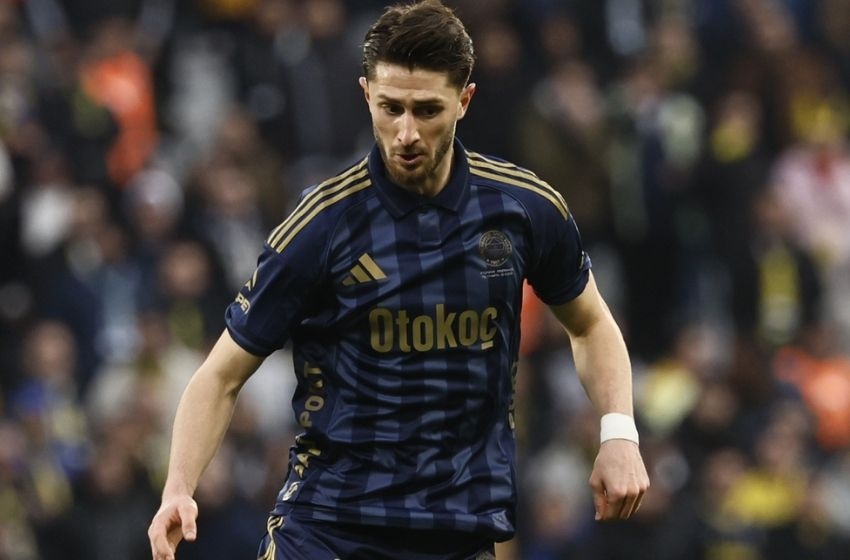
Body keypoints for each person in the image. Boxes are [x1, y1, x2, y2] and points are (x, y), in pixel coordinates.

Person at [147, 1, 649, 559]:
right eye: (391, 108)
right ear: (366, 96)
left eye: (427, 110)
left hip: (458, 532)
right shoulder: (322, 224)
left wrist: (619, 434)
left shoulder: (523, 210)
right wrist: (178, 488)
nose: (406, 133)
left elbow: (591, 325)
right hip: (328, 528)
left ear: (464, 100)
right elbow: (220, 375)